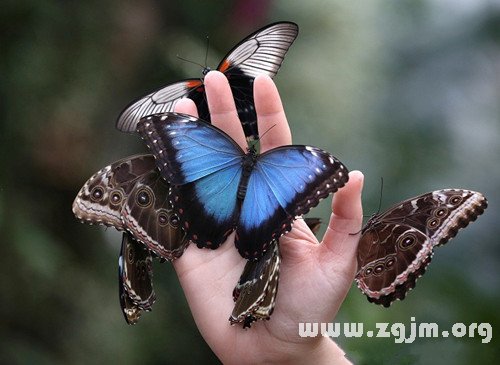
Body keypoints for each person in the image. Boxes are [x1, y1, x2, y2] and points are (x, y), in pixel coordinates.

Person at [172, 70, 364, 364]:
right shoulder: (280, 163)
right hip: (253, 211)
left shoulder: (226, 150)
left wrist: (298, 354)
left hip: (220, 203)